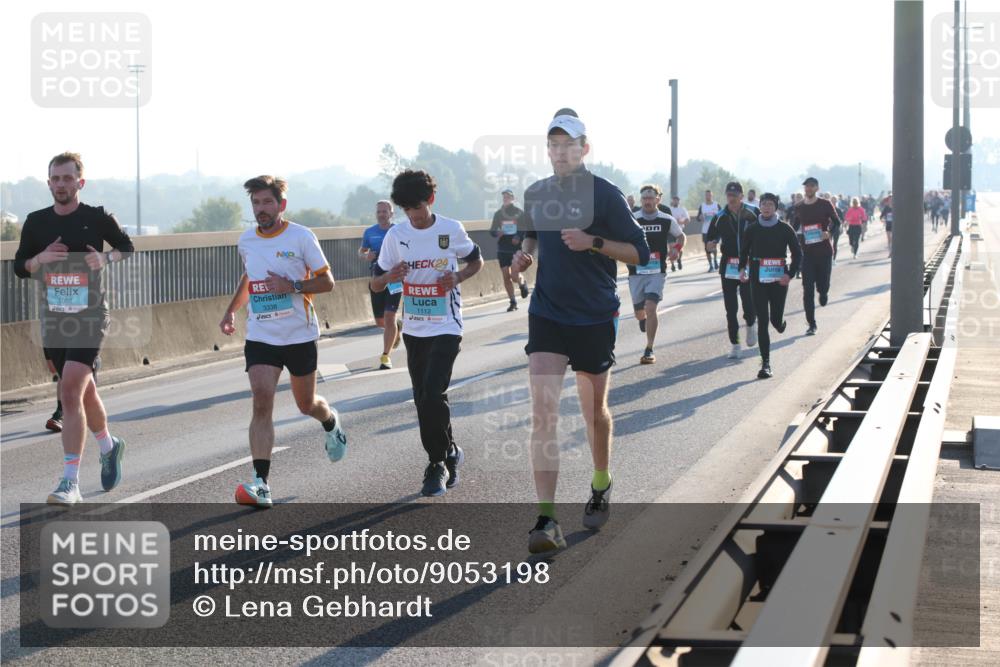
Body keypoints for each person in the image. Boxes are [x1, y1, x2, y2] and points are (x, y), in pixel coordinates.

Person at [511, 108, 650, 553]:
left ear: (584, 148)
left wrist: (593, 242)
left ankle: (601, 482)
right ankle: (546, 519)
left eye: (568, 144)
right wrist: (524, 255)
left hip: (593, 315)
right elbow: (530, 236)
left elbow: (639, 253)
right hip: (548, 313)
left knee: (593, 412)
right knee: (544, 413)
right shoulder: (536, 193)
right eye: (553, 145)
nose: (560, 152)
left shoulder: (605, 195)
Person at [220, 175, 346, 509]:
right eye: (256, 203)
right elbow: (250, 279)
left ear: (281, 205)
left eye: (267, 202)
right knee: (261, 399)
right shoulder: (247, 241)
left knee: (307, 405)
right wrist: (231, 312)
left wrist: (291, 286)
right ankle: (261, 483)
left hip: (299, 334)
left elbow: (327, 282)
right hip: (262, 335)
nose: (261, 209)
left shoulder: (302, 236)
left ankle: (330, 421)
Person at [13, 152, 133, 505]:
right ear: (48, 182)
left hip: (91, 317)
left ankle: (70, 482)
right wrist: (39, 259)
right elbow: (21, 266)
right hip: (54, 319)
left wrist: (106, 257)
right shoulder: (35, 222)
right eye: (56, 179)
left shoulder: (96, 218)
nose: (61, 184)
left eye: (68, 178)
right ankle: (109, 446)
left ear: (80, 182)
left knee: (69, 393)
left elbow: (127, 245)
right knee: (84, 392)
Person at [371, 169, 484, 497]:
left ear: (430, 200)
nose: (414, 217)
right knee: (423, 399)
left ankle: (436, 464)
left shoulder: (451, 229)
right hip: (415, 329)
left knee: (433, 392)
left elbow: (476, 261)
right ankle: (449, 451)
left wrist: (458, 277)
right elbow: (375, 283)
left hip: (447, 325)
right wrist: (390, 274)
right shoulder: (396, 236)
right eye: (407, 210)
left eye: (417, 208)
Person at [739, 193, 802, 379]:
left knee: (775, 320)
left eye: (770, 204)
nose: (766, 207)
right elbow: (743, 252)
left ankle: (781, 323)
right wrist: (743, 269)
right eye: (763, 204)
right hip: (758, 278)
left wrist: (789, 274)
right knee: (763, 321)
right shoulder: (752, 229)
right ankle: (765, 364)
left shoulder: (785, 229)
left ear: (776, 208)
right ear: (760, 206)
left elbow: (797, 254)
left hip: (778, 278)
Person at [629, 184, 685, 364]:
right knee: (639, 312)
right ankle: (642, 318)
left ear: (658, 200)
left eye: (651, 198)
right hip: (636, 272)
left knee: (651, 307)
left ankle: (649, 349)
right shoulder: (633, 219)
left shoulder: (666, 219)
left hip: (657, 271)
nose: (647, 201)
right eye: (644, 198)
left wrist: (676, 249)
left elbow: (681, 236)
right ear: (641, 200)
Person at [705, 181, 758, 359]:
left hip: (748, 264)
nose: (732, 199)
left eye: (735, 196)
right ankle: (735, 344)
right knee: (730, 308)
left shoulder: (753, 212)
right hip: (728, 266)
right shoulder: (720, 216)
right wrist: (710, 243)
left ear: (741, 196)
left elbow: (765, 230)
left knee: (748, 303)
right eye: (729, 195)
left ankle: (751, 324)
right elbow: (710, 237)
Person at [791, 176, 840, 335]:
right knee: (807, 289)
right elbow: (794, 227)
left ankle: (824, 292)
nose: (809, 189)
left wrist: (829, 233)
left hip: (825, 252)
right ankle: (811, 324)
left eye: (812, 186)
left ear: (817, 188)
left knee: (823, 285)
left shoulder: (825, 204)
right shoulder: (799, 207)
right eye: (806, 187)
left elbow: (837, 223)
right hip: (808, 254)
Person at [359, 200, 401, 369]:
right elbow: (361, 251)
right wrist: (365, 256)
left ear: (392, 213)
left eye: (385, 211)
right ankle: (397, 328)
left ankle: (385, 356)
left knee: (389, 316)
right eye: (379, 211)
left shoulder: (398, 231)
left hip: (395, 279)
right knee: (380, 321)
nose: (382, 214)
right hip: (377, 279)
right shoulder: (369, 232)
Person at [489, 187, 530, 312]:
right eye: (504, 197)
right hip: (502, 249)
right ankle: (513, 302)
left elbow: (525, 229)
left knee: (514, 275)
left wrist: (518, 237)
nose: (506, 198)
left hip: (515, 249)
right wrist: (498, 233)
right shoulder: (498, 214)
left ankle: (522, 284)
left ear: (513, 198)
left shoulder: (519, 213)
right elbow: (492, 231)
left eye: (508, 196)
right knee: (506, 276)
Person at [697, 190, 722, 272]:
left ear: (712, 196)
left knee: (714, 246)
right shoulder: (702, 206)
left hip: (715, 230)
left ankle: (715, 260)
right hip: (705, 231)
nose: (708, 196)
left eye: (709, 195)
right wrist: (700, 217)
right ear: (705, 196)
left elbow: (723, 215)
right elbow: (698, 217)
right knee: (707, 249)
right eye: (707, 195)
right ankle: (711, 265)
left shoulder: (716, 205)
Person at [667, 194, 689, 271]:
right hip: (670, 231)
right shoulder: (669, 209)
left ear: (679, 201)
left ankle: (679, 259)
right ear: (672, 201)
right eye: (674, 200)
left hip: (679, 232)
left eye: (677, 200)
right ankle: (672, 264)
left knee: (679, 248)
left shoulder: (682, 209)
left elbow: (687, 220)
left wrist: (682, 222)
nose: (675, 201)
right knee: (671, 247)